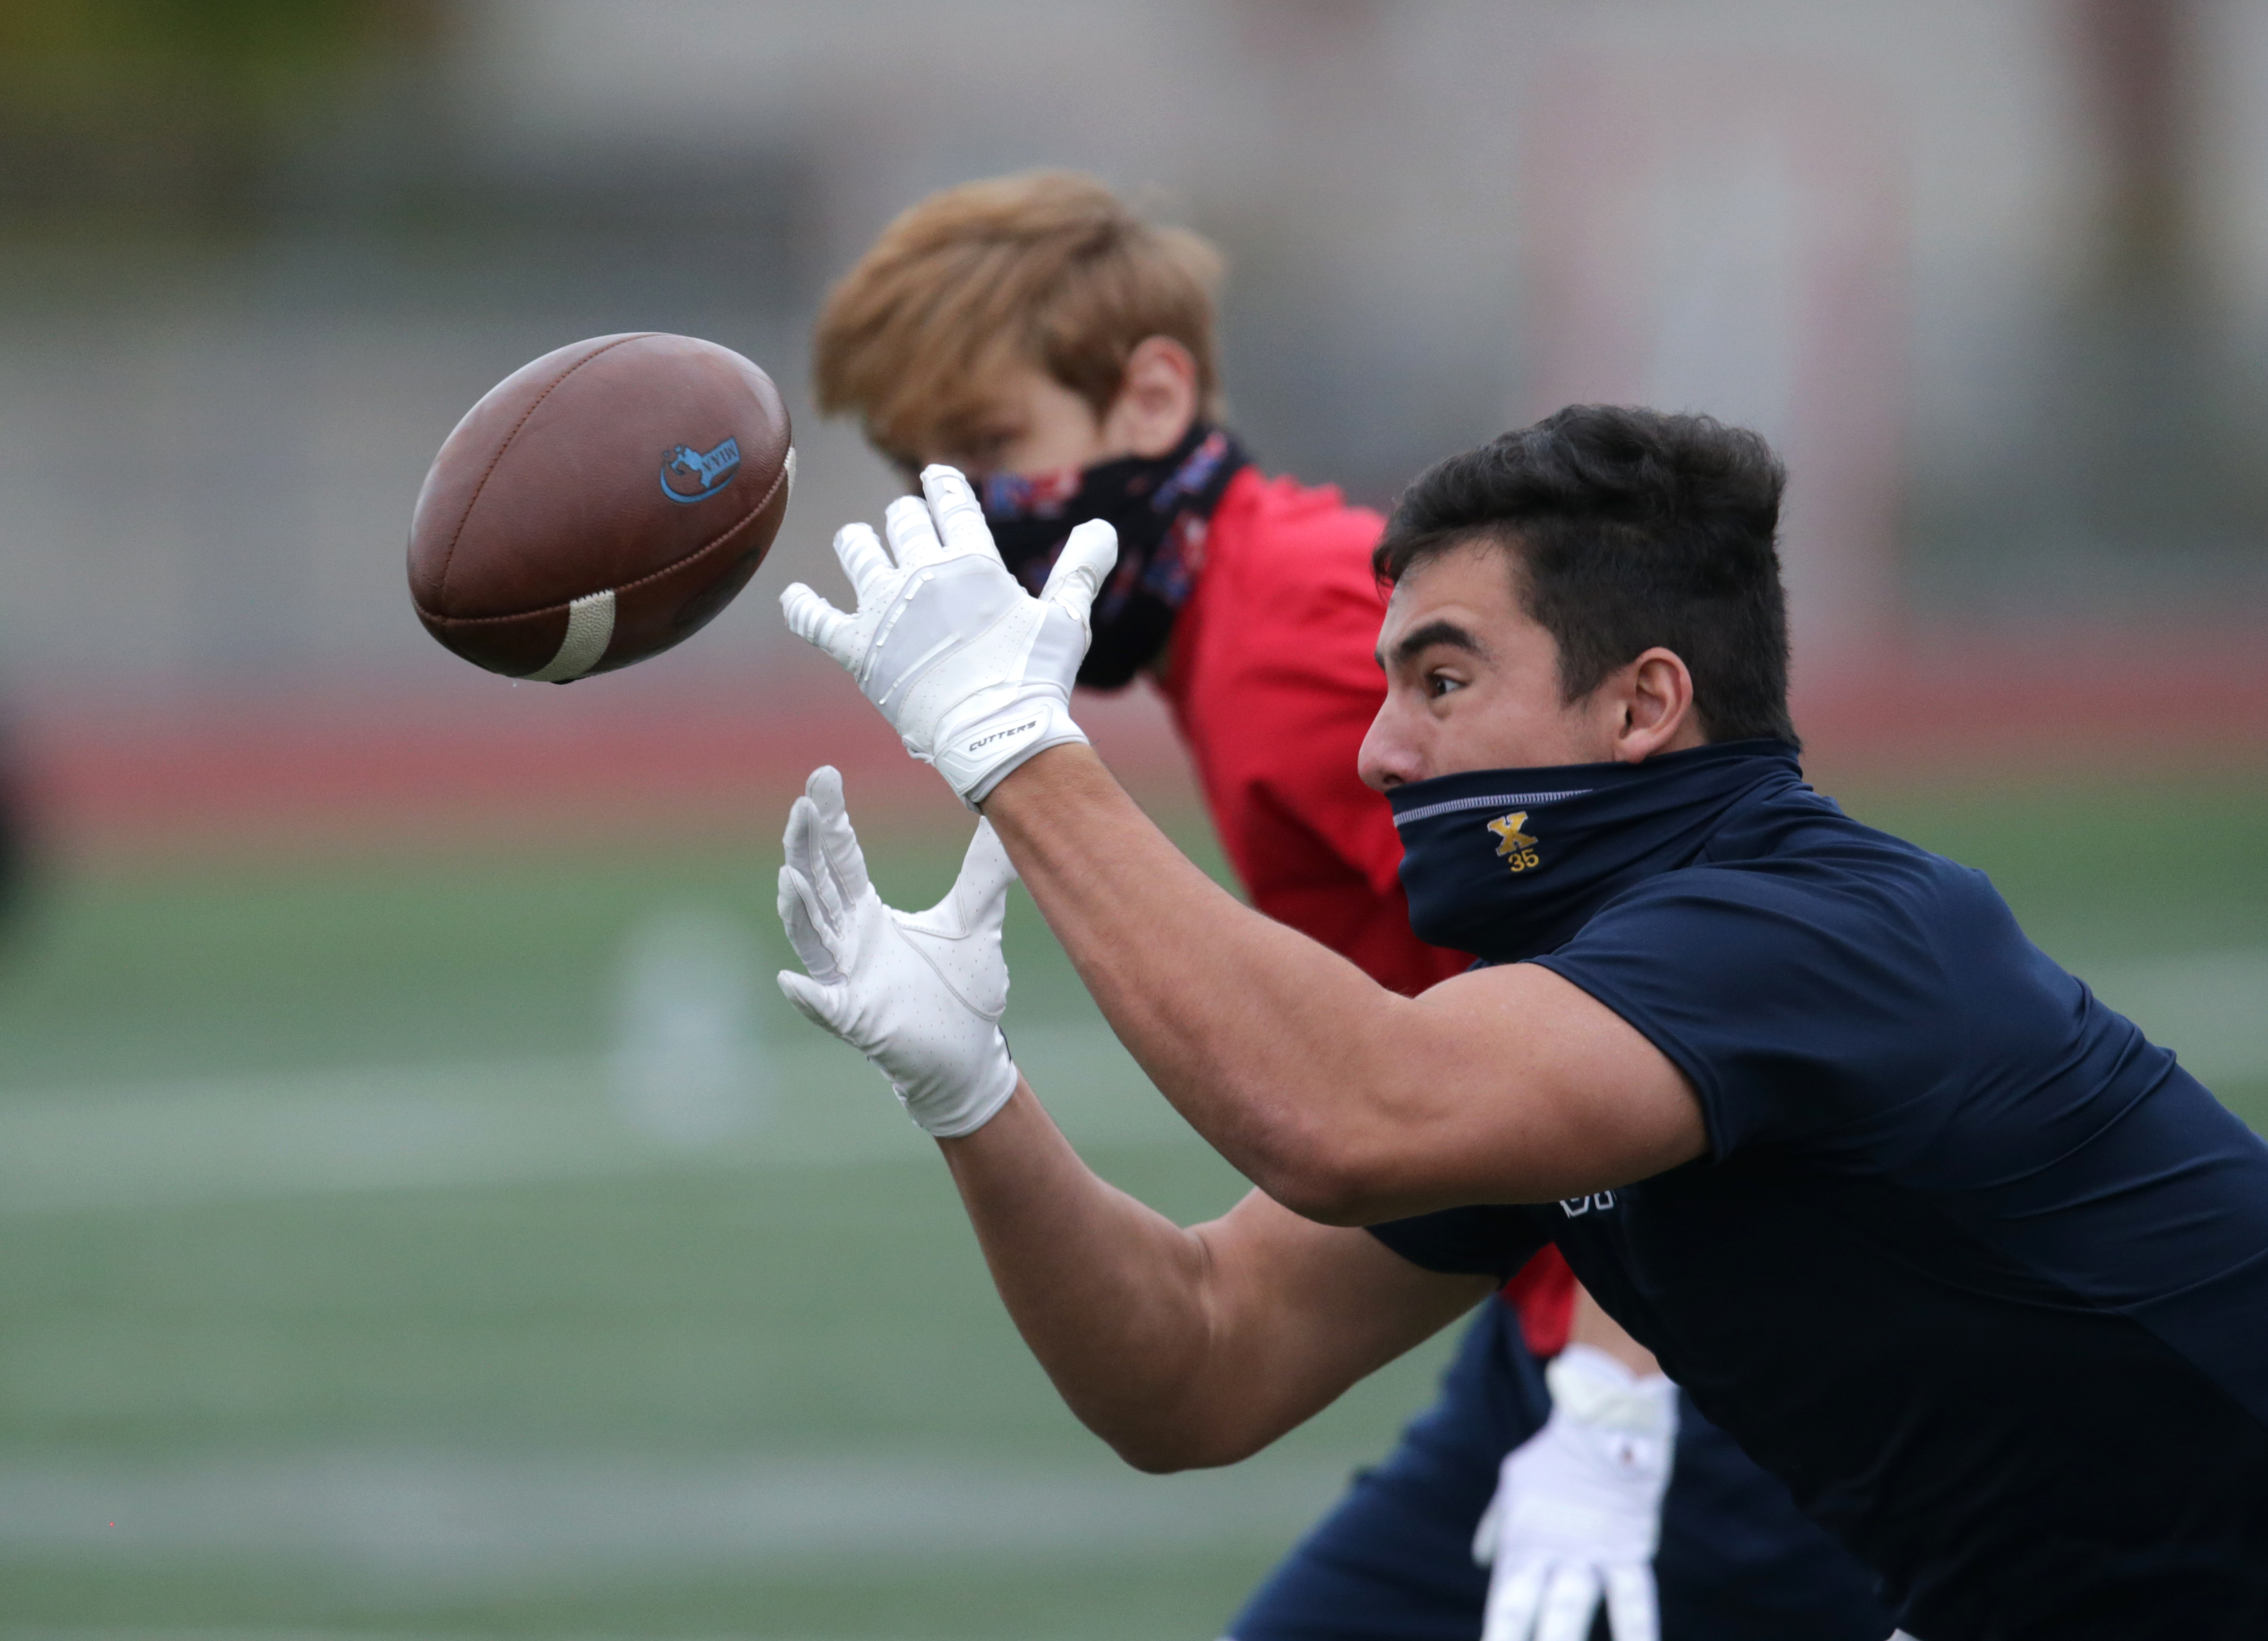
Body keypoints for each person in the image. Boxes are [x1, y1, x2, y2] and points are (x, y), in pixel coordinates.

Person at [773, 406, 2268, 1640]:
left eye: (1441, 678)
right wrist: (972, 1094)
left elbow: (1342, 1117)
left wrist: (1014, 749)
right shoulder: (1597, 989)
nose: (1377, 750)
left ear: (1642, 706)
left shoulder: (1801, 927)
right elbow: (1200, 1358)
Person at [808, 172, 1888, 1640]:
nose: (971, 512)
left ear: (1150, 394)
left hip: (1695, 1343)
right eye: (924, 468)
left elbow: (1674, 983)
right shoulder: (1243, 624)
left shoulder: (1297, 641)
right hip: (1551, 1291)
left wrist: (1617, 1392)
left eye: (992, 447)